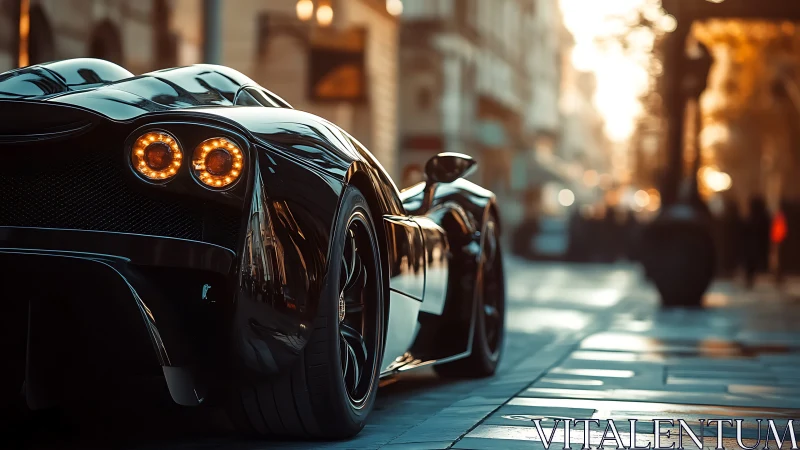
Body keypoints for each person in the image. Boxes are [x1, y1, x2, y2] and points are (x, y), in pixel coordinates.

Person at [742, 196, 771, 289]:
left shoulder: (752, 218)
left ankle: (750, 279)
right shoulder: (762, 217)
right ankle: (750, 279)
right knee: (751, 264)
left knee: (751, 264)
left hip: (752, 245)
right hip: (754, 245)